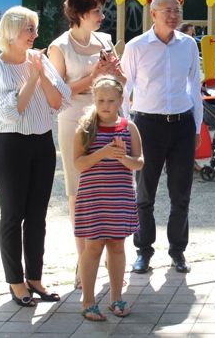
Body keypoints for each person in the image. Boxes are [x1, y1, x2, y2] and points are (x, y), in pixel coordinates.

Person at [0, 6, 70, 308]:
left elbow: (61, 101)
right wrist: (32, 77)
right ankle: (15, 281)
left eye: (35, 28)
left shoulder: (40, 59)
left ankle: (35, 277)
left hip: (42, 144)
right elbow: (10, 111)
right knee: (13, 216)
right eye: (28, 29)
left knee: (37, 217)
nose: (34, 34)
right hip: (11, 146)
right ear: (11, 32)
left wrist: (41, 73)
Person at [48, 0, 124, 289]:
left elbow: (120, 82)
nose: (102, 16)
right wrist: (92, 77)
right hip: (73, 121)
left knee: (109, 188)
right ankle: (83, 263)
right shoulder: (59, 47)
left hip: (107, 118)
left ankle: (110, 258)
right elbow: (58, 94)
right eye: (96, 11)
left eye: (101, 10)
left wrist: (114, 71)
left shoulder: (105, 40)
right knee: (78, 192)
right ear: (78, 13)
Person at [120, 0, 202, 274]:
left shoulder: (188, 44)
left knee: (181, 193)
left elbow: (195, 87)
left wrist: (197, 126)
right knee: (144, 193)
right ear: (153, 14)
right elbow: (124, 89)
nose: (173, 16)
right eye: (167, 10)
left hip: (182, 124)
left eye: (177, 10)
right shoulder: (136, 46)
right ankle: (143, 250)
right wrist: (125, 127)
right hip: (147, 125)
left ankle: (178, 250)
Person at [73, 75, 143, 321]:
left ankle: (116, 298)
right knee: (92, 247)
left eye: (111, 100)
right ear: (94, 99)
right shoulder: (85, 128)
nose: (105, 105)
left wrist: (123, 158)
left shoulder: (129, 127)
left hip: (119, 196)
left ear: (121, 100)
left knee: (117, 245)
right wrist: (103, 153)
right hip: (93, 198)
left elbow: (139, 162)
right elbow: (78, 163)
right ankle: (88, 301)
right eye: (101, 100)